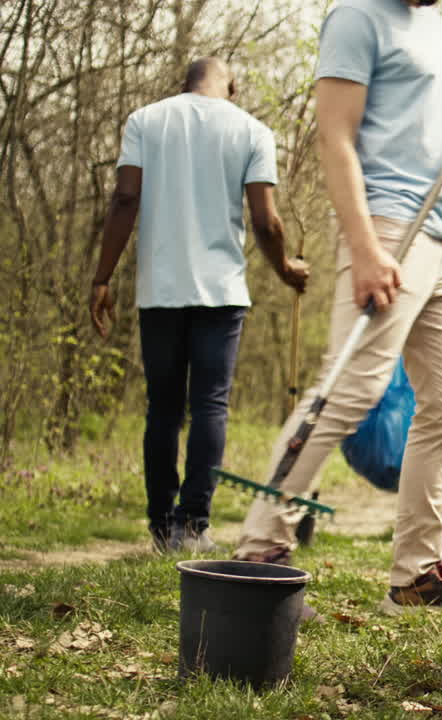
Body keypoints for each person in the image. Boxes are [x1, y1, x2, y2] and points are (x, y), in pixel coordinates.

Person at [231, 0, 442, 616]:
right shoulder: (357, 19)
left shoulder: (438, 30)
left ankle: (416, 575)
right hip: (389, 224)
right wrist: (365, 246)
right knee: (350, 388)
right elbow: (334, 135)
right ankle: (259, 552)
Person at [89, 57, 309, 554]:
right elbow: (266, 221)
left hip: (159, 290)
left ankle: (163, 528)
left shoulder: (146, 120)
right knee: (210, 404)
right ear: (231, 85)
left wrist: (102, 278)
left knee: (162, 408)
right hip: (221, 290)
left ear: (183, 82)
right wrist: (286, 270)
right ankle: (193, 525)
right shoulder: (252, 130)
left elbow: (125, 200)